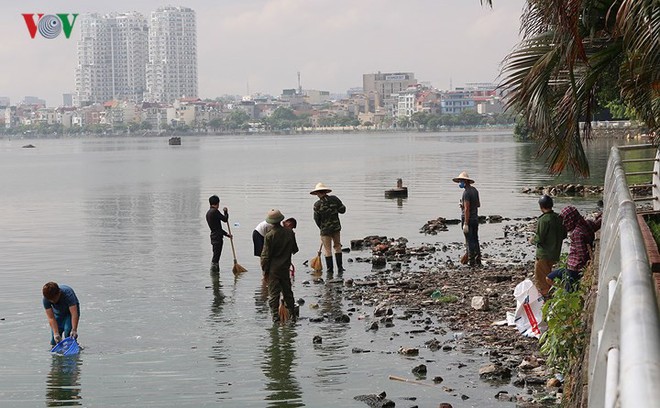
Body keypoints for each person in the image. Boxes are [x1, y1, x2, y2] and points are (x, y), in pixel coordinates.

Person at [546, 205, 601, 292]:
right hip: (574, 268)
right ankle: (567, 288)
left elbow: (582, 255)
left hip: (574, 269)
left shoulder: (577, 233)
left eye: (565, 221)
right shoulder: (587, 224)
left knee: (550, 279)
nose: (564, 223)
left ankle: (565, 289)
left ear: (570, 219)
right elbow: (596, 225)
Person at [260, 209, 299, 322]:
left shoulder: (269, 235)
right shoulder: (290, 233)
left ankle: (275, 318)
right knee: (288, 293)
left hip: (273, 270)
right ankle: (292, 316)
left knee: (273, 295)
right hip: (284, 268)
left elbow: (265, 256)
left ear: (271, 222)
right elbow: (295, 249)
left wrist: (265, 271)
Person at [532, 195, 567, 297]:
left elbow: (540, 238)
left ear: (541, 206)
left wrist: (532, 240)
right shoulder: (559, 218)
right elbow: (564, 234)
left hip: (543, 254)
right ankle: (550, 294)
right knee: (549, 275)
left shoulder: (543, 220)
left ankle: (545, 298)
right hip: (555, 253)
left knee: (542, 278)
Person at [310, 182, 346, 273]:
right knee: (337, 246)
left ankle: (330, 270)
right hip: (336, 227)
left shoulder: (317, 205)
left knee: (327, 250)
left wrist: (321, 228)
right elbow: (343, 210)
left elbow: (316, 219)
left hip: (325, 230)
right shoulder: (334, 199)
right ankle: (340, 268)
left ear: (318, 193)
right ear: (325, 191)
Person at [452, 171, 481, 266]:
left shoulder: (466, 193)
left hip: (468, 219)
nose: (460, 183)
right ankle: (478, 259)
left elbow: (467, 209)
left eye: (461, 181)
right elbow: (478, 205)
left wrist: (465, 223)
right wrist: (463, 206)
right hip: (475, 219)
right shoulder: (475, 190)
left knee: (469, 240)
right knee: (475, 239)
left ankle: (471, 261)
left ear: (465, 181)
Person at [42, 282, 80, 346]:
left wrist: (74, 329)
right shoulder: (46, 298)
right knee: (55, 340)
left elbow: (74, 314)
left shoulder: (68, 293)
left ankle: (74, 347)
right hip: (58, 314)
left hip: (70, 314)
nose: (53, 301)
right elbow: (51, 317)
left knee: (68, 333)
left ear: (59, 293)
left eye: (54, 299)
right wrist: (56, 333)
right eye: (50, 300)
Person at [206, 195, 232, 271]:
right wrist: (225, 212)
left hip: (213, 236)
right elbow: (225, 219)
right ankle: (214, 272)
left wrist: (227, 234)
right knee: (216, 258)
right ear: (217, 203)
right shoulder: (214, 211)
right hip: (217, 238)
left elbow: (217, 228)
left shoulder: (208, 213)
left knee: (216, 256)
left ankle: (215, 274)